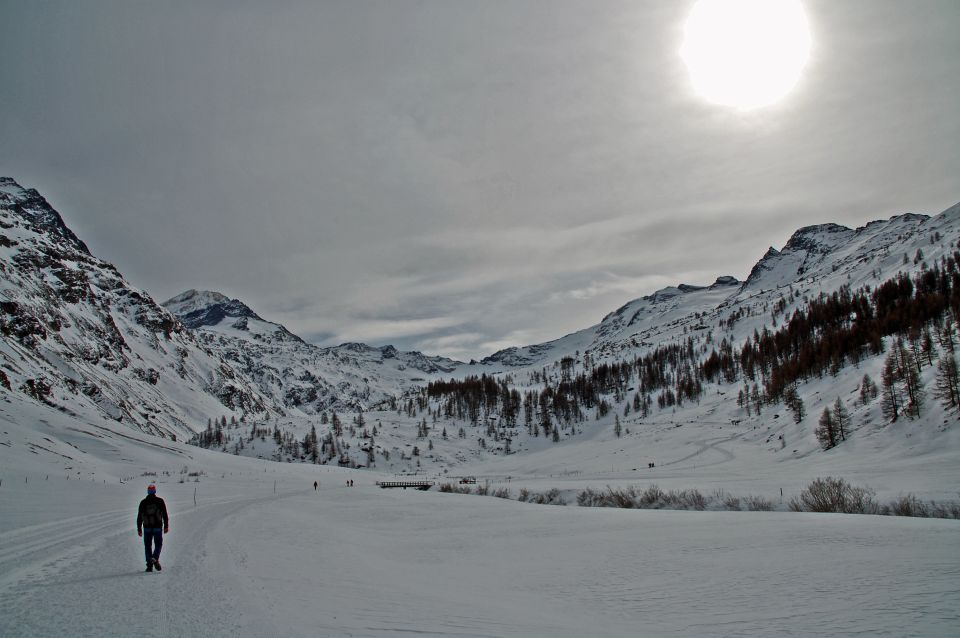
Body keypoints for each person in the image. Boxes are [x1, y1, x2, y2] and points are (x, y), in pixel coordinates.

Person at [137, 483, 169, 572]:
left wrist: (139, 528)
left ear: (148, 491)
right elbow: (165, 514)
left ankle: (149, 566)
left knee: (147, 546)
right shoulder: (160, 501)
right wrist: (166, 526)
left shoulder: (143, 502)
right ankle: (155, 557)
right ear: (154, 491)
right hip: (157, 527)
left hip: (147, 527)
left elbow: (139, 516)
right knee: (158, 544)